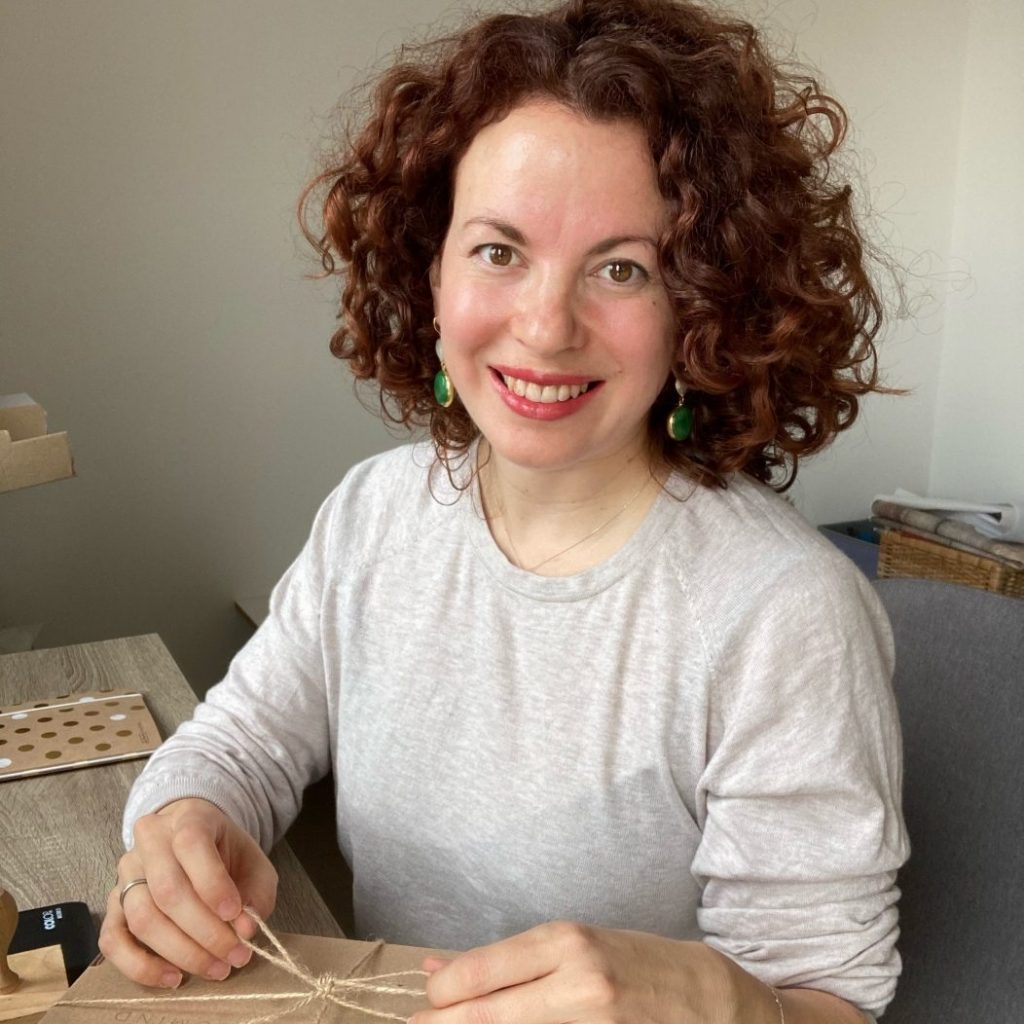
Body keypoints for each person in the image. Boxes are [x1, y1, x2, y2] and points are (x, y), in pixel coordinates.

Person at [99, 2, 909, 1022]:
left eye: (622, 268)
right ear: (430, 268)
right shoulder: (373, 514)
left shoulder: (784, 611)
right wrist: (189, 819)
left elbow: (830, 997)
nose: (544, 325)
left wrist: (725, 1001)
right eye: (498, 251)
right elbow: (241, 741)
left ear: (702, 304)